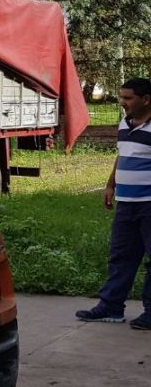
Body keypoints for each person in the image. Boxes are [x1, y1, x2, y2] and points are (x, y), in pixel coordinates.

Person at [76, 78, 151, 330]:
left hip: (148, 204)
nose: (123, 103)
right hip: (126, 203)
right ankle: (111, 306)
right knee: (121, 256)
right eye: (122, 97)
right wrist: (110, 185)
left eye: (128, 98)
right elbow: (122, 155)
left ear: (146, 99)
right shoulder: (125, 124)